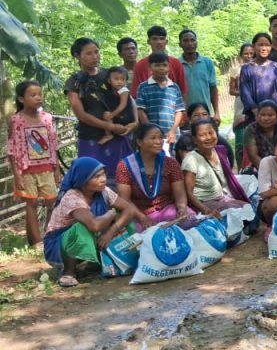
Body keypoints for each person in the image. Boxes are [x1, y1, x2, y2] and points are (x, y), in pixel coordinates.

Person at [43, 158, 149, 287]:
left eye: (103, 174)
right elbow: (94, 225)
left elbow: (129, 209)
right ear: (82, 179)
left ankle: (116, 259)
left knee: (124, 219)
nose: (103, 179)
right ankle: (68, 272)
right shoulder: (72, 197)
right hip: (58, 246)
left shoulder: (103, 191)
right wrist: (111, 214)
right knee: (80, 228)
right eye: (97, 176)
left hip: (90, 235)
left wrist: (110, 233)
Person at [65, 38, 133, 182]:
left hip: (119, 136)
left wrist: (135, 123)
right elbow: (81, 114)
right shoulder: (74, 82)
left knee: (123, 180)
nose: (95, 56)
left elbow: (128, 98)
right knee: (91, 181)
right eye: (89, 53)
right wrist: (110, 127)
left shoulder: (111, 75)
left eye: (96, 52)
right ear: (77, 56)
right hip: (91, 138)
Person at [7, 80, 60, 246]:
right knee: (31, 203)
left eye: (40, 94)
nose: (38, 97)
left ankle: (49, 236)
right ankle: (37, 241)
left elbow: (53, 144)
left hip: (47, 167)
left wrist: (57, 168)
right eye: (33, 95)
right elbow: (11, 149)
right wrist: (17, 175)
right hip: (26, 169)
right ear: (21, 99)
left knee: (51, 201)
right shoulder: (16, 120)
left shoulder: (47, 118)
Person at [116, 123, 195, 226]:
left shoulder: (171, 163)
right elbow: (125, 200)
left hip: (167, 209)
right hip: (138, 214)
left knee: (191, 221)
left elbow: (179, 194)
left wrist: (182, 208)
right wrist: (142, 218)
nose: (158, 142)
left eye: (160, 138)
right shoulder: (125, 166)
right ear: (139, 142)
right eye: (153, 138)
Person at [182, 119, 250, 218]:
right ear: (195, 139)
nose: (208, 137)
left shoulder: (220, 152)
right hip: (203, 203)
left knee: (248, 207)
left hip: (221, 198)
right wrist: (205, 210)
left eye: (211, 133)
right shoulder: (191, 160)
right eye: (202, 135)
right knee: (238, 211)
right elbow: (188, 193)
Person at [135, 52, 186, 149]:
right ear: (150, 67)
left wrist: (173, 130)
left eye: (164, 65)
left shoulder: (174, 87)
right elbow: (140, 110)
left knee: (173, 156)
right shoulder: (143, 87)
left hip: (172, 135)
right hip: (152, 136)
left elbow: (179, 111)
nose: (161, 68)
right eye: (157, 65)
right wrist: (150, 130)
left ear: (169, 67)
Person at [130, 25, 188, 101]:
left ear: (166, 42)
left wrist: (183, 108)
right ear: (148, 41)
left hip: (173, 106)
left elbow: (183, 91)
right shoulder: (140, 65)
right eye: (155, 39)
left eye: (162, 39)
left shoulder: (176, 63)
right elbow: (136, 94)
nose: (159, 42)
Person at [239, 32, 277, 124]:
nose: (264, 48)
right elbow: (245, 92)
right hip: (254, 115)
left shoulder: (275, 67)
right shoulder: (246, 68)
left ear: (271, 46)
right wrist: (256, 111)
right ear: (253, 46)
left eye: (267, 45)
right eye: (260, 45)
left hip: (273, 114)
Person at [179, 29, 220, 124]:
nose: (190, 43)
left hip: (205, 113)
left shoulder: (207, 62)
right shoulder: (176, 65)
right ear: (180, 44)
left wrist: (217, 112)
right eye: (185, 41)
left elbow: (213, 89)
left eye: (192, 40)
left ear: (196, 42)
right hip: (185, 116)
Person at [244, 100, 277, 172]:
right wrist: (268, 172)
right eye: (263, 115)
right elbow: (253, 156)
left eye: (270, 115)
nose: (266, 118)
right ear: (257, 116)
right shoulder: (251, 130)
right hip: (261, 168)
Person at [229, 43, 255, 165]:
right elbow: (231, 90)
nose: (249, 56)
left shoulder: (259, 69)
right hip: (241, 108)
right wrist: (245, 93)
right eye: (246, 54)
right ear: (241, 55)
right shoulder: (236, 70)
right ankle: (241, 168)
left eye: (251, 53)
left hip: (256, 108)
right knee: (241, 143)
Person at [98, 66, 135, 145]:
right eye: (116, 79)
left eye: (122, 79)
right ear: (109, 80)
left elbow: (123, 105)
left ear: (126, 81)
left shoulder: (124, 90)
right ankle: (108, 135)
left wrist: (112, 114)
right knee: (106, 114)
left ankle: (110, 134)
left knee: (108, 115)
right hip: (118, 115)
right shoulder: (110, 91)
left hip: (126, 115)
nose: (119, 82)